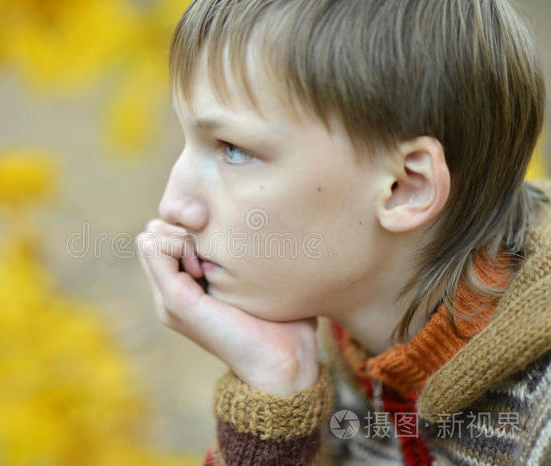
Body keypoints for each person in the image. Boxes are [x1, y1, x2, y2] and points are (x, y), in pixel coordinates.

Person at [135, 0, 551, 464]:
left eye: (234, 148)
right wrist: (275, 393)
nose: (173, 205)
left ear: (404, 188)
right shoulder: (342, 358)